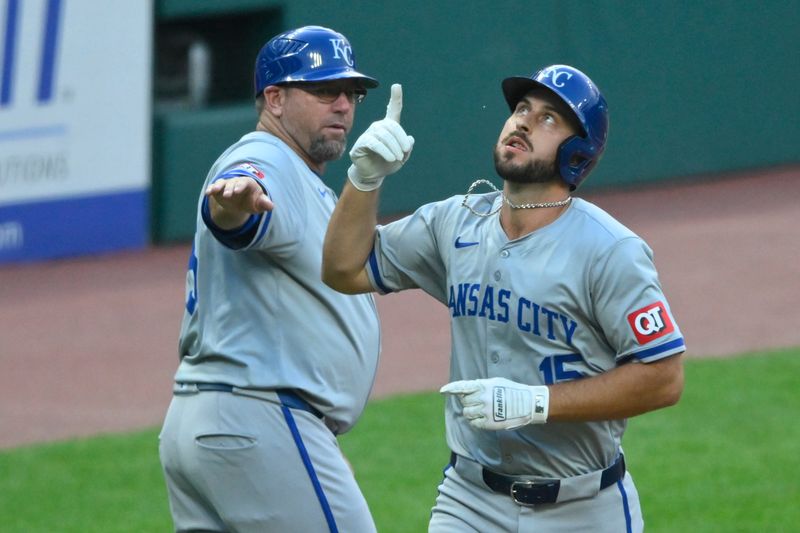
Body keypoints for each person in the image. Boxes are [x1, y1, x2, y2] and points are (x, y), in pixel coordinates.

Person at [322, 65, 685, 532]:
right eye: (520, 109)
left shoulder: (610, 250)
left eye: (549, 118)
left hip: (584, 508)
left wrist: (537, 403)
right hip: (469, 500)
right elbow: (343, 268)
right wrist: (364, 178)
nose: (523, 123)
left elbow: (664, 378)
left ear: (578, 152)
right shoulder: (455, 222)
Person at [158, 26, 388, 532]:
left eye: (351, 93)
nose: (344, 106)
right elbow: (239, 203)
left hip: (211, 423)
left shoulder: (303, 175)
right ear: (275, 98)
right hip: (258, 417)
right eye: (325, 90)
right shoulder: (267, 159)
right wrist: (232, 203)